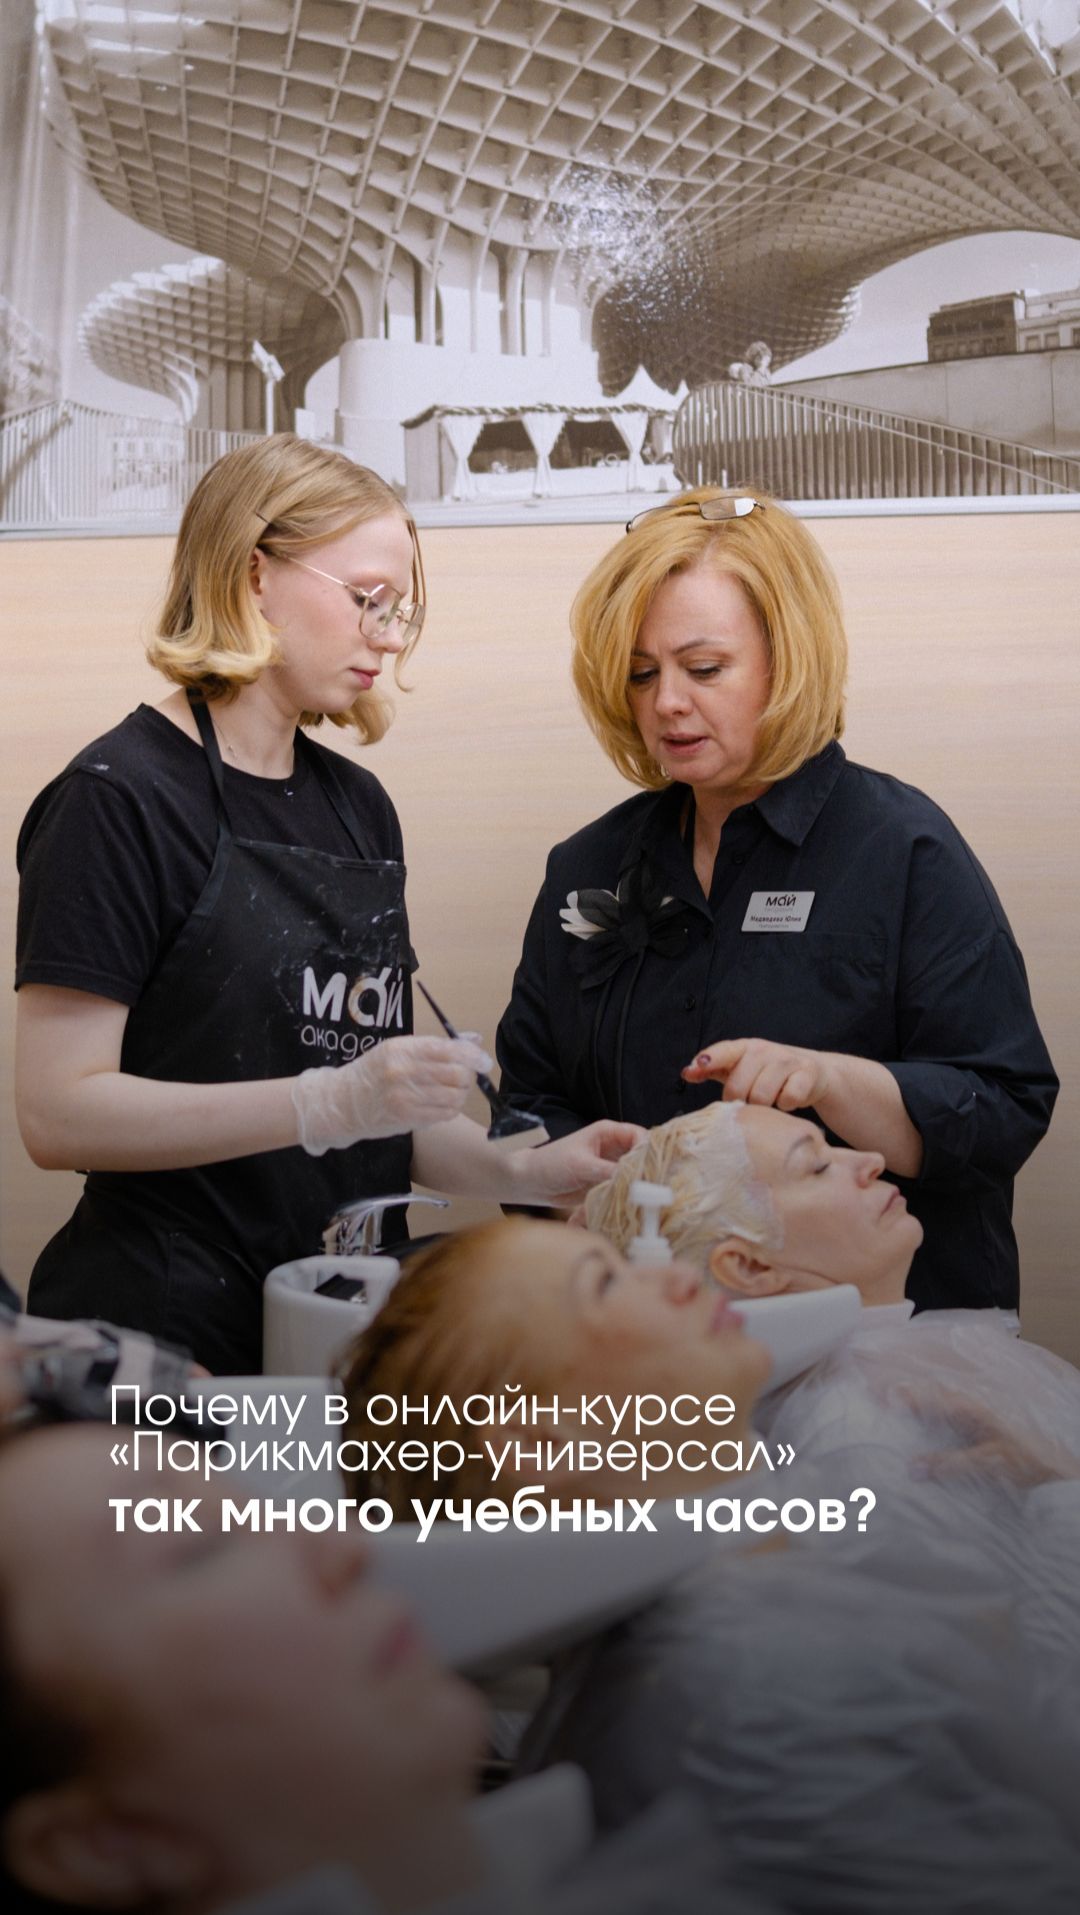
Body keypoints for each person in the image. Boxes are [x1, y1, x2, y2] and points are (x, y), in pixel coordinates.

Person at [14, 435, 640, 1374]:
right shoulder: (119, 798)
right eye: (366, 599)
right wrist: (325, 1100)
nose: (387, 637)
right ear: (254, 574)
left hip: (345, 1320)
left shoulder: (358, 808)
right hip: (173, 1324)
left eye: (401, 611)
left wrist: (523, 1168)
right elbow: (58, 1114)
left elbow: (378, 1107)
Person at [495, 487, 1057, 1311]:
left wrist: (831, 1081)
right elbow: (525, 1107)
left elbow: (1005, 1108)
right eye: (642, 673)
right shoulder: (588, 865)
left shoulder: (903, 851)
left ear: (787, 661)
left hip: (885, 1345)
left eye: (704, 668)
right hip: (655, 1338)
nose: (667, 701)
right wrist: (590, 1200)